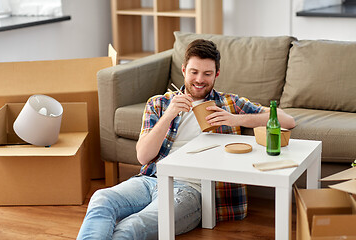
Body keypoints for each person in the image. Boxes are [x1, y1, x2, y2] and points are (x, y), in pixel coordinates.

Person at [77, 39, 296, 240]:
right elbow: (143, 155)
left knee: (132, 226)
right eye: (194, 72)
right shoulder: (160, 103)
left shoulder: (229, 103)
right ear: (183, 70)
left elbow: (287, 120)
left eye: (207, 74)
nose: (200, 80)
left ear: (217, 74)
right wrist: (169, 115)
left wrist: (235, 118)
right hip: (150, 180)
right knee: (101, 200)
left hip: (192, 190)